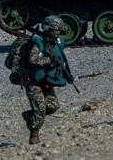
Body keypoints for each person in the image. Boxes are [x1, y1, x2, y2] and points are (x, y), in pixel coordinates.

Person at [22, 15, 72, 144]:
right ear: (49, 29)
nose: (59, 32)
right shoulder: (38, 42)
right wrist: (47, 61)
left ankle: (30, 116)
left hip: (47, 81)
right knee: (40, 109)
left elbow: (61, 59)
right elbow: (32, 59)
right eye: (56, 29)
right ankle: (34, 135)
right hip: (33, 82)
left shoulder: (57, 42)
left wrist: (66, 74)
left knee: (53, 106)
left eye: (59, 30)